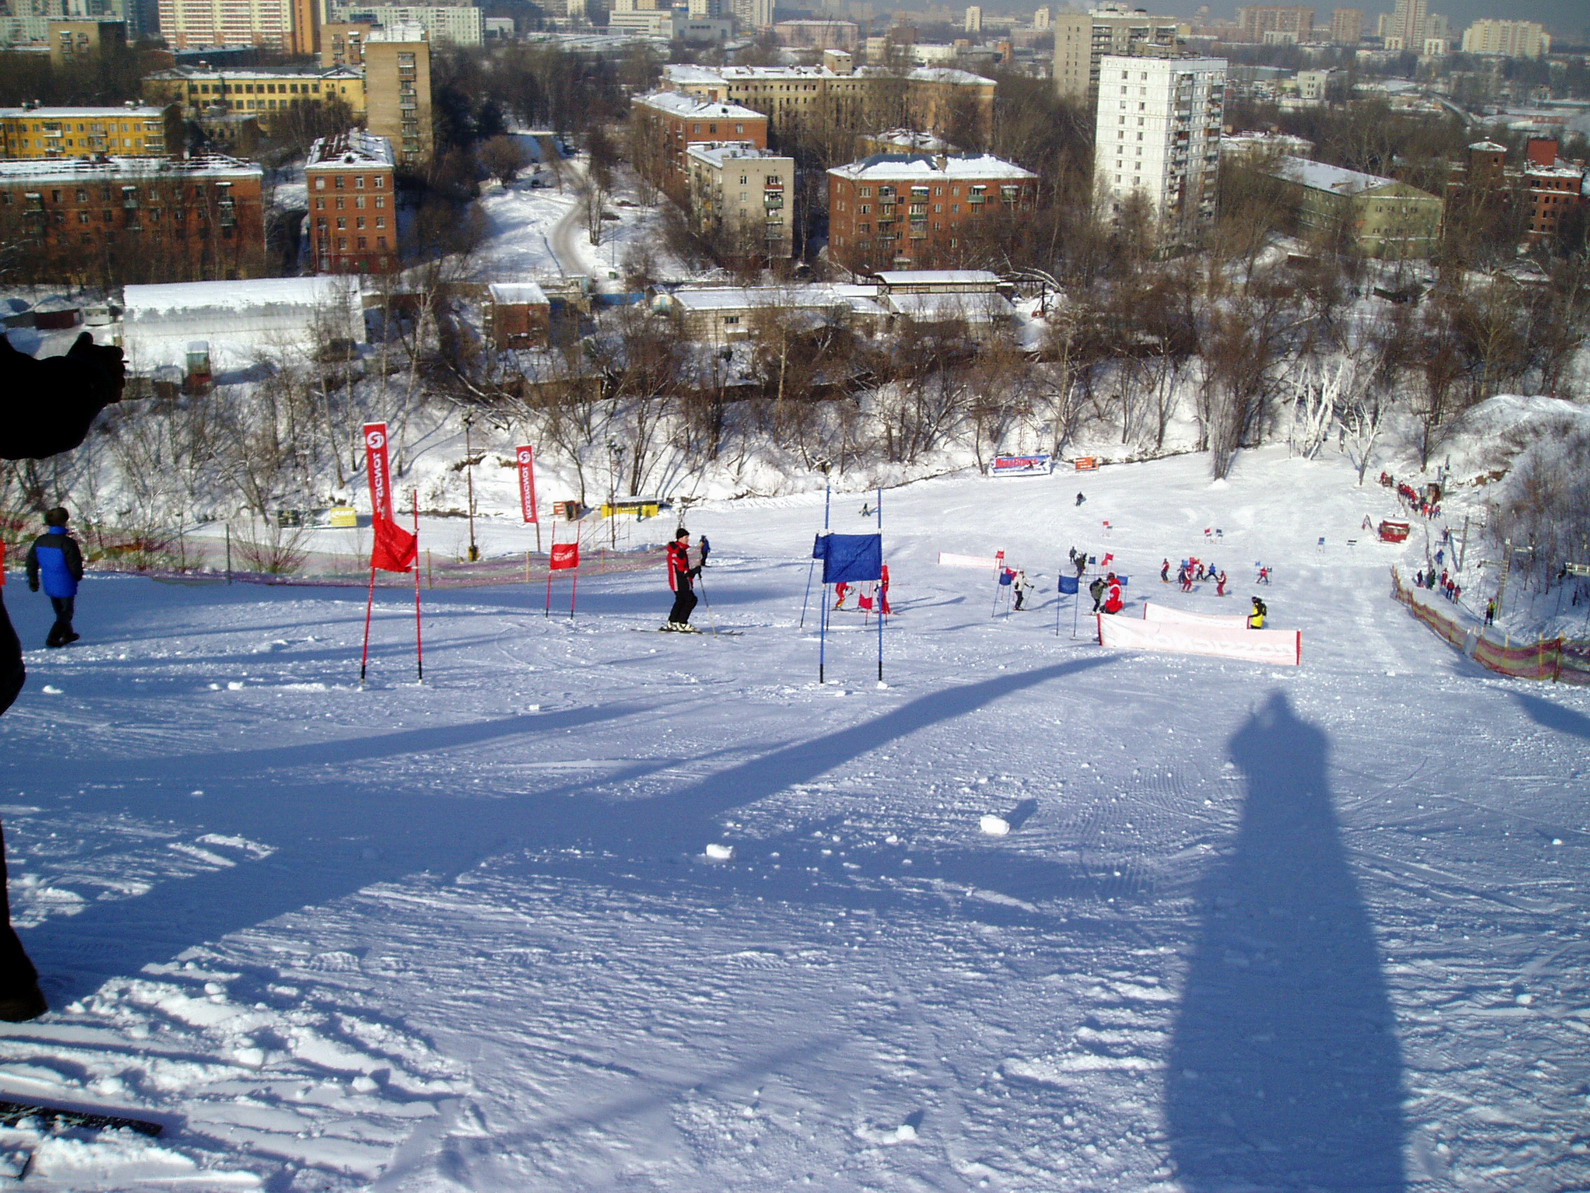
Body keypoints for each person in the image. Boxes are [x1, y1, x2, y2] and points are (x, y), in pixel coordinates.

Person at [0, 330, 126, 1023]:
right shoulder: (59, 541)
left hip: (49, 586)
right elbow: (22, 408)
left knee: (62, 609)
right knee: (62, 609)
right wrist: (82, 377)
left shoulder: (53, 540)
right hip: (48, 590)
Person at [25, 508, 84, 648]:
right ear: (64, 521)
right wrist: (77, 575)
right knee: (66, 612)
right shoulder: (68, 543)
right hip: (65, 581)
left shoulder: (40, 541)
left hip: (49, 581)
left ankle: (68, 634)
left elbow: (31, 561)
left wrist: (33, 579)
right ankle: (53, 638)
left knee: (59, 610)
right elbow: (75, 564)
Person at [662, 528, 700, 631]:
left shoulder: (680, 550)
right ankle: (682, 622)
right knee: (690, 600)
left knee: (681, 600)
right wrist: (691, 572)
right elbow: (680, 566)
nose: (688, 539)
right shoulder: (677, 550)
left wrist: (693, 571)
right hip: (679, 580)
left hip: (680, 580)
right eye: (686, 537)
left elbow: (683, 567)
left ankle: (673, 621)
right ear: (680, 538)